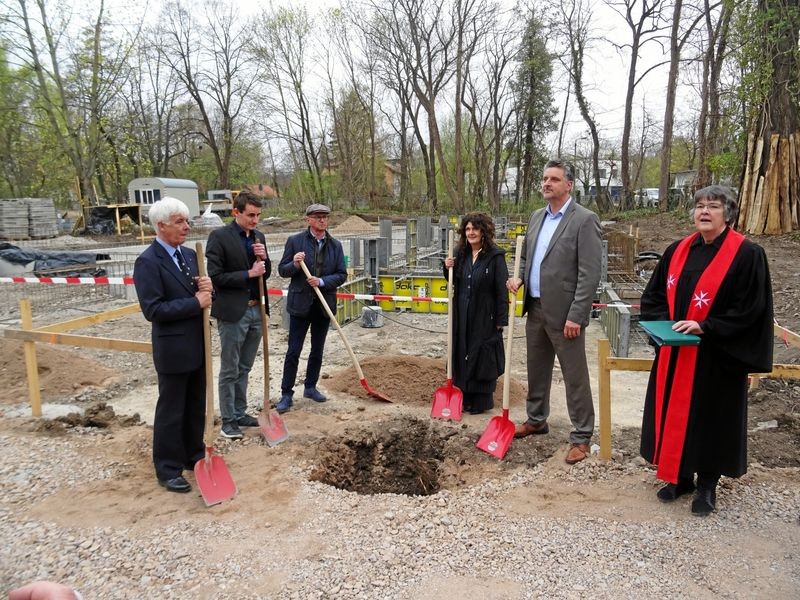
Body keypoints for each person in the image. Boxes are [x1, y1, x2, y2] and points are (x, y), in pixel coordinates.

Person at [639, 185, 773, 516]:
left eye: (713, 206)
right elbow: (654, 296)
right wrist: (666, 328)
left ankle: (707, 485)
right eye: (700, 205)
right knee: (674, 415)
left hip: (717, 355)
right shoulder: (677, 250)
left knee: (711, 421)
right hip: (676, 353)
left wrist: (706, 326)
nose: (704, 211)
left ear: (728, 213)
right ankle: (680, 478)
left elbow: (750, 309)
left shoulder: (747, 255)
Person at [507, 159, 602, 464]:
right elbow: (527, 257)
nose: (547, 183)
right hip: (535, 307)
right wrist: (519, 277)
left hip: (565, 314)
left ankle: (582, 435)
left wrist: (577, 314)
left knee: (574, 375)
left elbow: (590, 273)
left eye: (554, 179)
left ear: (569, 185)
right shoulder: (537, 217)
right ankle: (537, 419)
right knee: (537, 369)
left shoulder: (584, 220)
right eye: (545, 178)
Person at [134, 197, 213, 493]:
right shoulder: (148, 262)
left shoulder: (190, 256)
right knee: (172, 409)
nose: (186, 226)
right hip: (173, 349)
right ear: (161, 225)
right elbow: (153, 310)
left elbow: (203, 298)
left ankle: (193, 454)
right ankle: (167, 468)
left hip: (198, 343)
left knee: (195, 404)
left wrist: (209, 291)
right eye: (180, 221)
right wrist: (195, 302)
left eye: (187, 221)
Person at [205, 191, 271, 440]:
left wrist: (264, 260)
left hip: (256, 310)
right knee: (230, 368)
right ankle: (228, 420)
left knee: (245, 366)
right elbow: (216, 277)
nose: (255, 220)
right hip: (233, 312)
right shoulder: (219, 237)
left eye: (258, 215)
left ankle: (240, 412)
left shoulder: (259, 237)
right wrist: (248, 274)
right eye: (251, 215)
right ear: (236, 212)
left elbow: (265, 273)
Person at [275, 203, 346, 413]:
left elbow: (341, 274)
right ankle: (286, 393)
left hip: (323, 306)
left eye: (325, 217)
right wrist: (295, 264)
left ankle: (310, 387)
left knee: (317, 350)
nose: (322, 220)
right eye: (317, 217)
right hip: (300, 306)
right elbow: (282, 271)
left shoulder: (335, 245)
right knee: (293, 351)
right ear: (308, 220)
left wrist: (321, 282)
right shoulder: (295, 241)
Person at [443, 212, 509, 415]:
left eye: (475, 229)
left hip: (485, 315)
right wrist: (446, 267)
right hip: (462, 312)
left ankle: (480, 401)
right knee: (462, 351)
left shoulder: (495, 256)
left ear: (483, 231)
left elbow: (501, 290)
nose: (471, 233)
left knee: (481, 354)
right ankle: (463, 397)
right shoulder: (460, 253)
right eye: (468, 229)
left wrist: (501, 320)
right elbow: (452, 279)